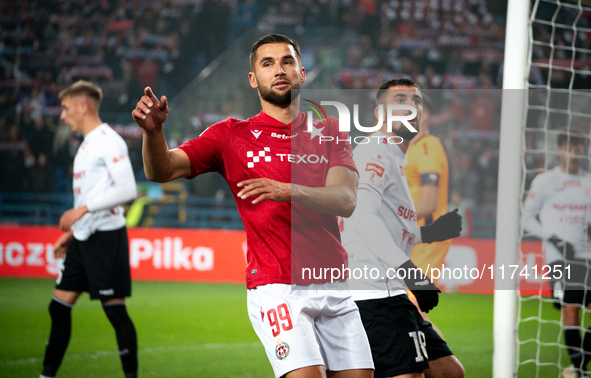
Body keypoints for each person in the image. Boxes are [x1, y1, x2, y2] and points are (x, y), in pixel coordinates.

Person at [132, 34, 373, 378]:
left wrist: (288, 189)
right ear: (252, 79)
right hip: (278, 287)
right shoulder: (230, 135)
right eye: (268, 63)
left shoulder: (330, 132)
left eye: (287, 62)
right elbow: (162, 170)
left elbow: (346, 199)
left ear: (302, 73)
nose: (279, 70)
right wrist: (153, 133)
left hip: (334, 284)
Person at [340, 78, 465, 378]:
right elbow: (362, 216)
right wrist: (411, 271)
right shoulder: (375, 152)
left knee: (450, 372)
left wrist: (429, 234)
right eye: (400, 100)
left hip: (391, 293)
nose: (411, 107)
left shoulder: (397, 158)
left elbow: (389, 225)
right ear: (380, 114)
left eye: (416, 101)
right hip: (374, 296)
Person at [40, 80, 138, 378]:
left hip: (107, 238)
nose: (62, 115)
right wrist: (72, 233)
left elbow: (127, 190)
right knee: (58, 308)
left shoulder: (110, 141)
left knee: (115, 313)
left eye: (66, 107)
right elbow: (93, 195)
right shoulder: (85, 145)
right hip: (82, 239)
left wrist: (81, 211)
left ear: (84, 106)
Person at [523, 129, 591, 378]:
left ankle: (577, 369)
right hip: (559, 256)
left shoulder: (588, 181)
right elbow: (527, 218)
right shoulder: (545, 181)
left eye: (579, 147)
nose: (575, 152)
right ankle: (579, 370)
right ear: (559, 149)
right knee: (570, 309)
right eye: (570, 147)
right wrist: (552, 238)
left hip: (587, 254)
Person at [404, 93, 452, 286]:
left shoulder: (428, 147)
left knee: (411, 304)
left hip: (425, 236)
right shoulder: (409, 148)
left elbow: (428, 203)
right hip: (408, 235)